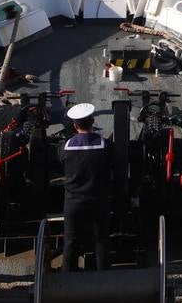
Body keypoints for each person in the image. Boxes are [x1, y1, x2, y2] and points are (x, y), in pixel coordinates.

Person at [60, 102, 122, 271]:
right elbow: (117, 172)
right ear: (93, 121)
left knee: (70, 243)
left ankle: (66, 284)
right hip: (98, 202)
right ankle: (103, 282)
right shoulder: (106, 146)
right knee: (101, 241)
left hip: (73, 204)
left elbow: (63, 166)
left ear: (74, 125)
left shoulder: (64, 148)